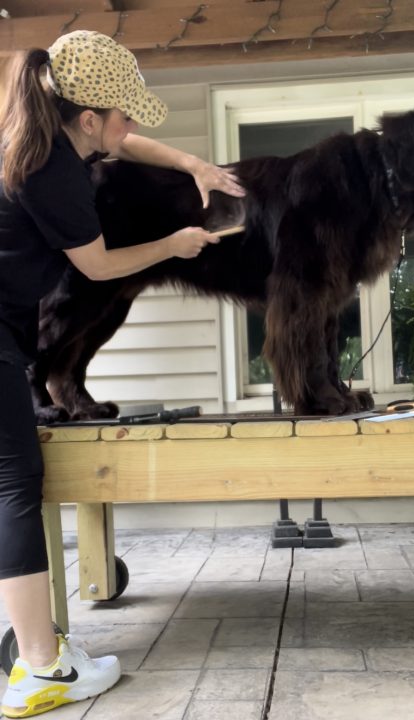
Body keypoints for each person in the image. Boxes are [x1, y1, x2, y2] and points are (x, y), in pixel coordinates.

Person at [0, 30, 245, 718]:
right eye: (123, 113)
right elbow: (99, 268)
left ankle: (36, 647)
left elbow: (129, 144)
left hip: (6, 330)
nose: (131, 125)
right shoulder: (53, 172)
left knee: (12, 485)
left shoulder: (50, 128)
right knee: (15, 488)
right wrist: (176, 244)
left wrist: (193, 163)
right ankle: (40, 670)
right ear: (88, 120)